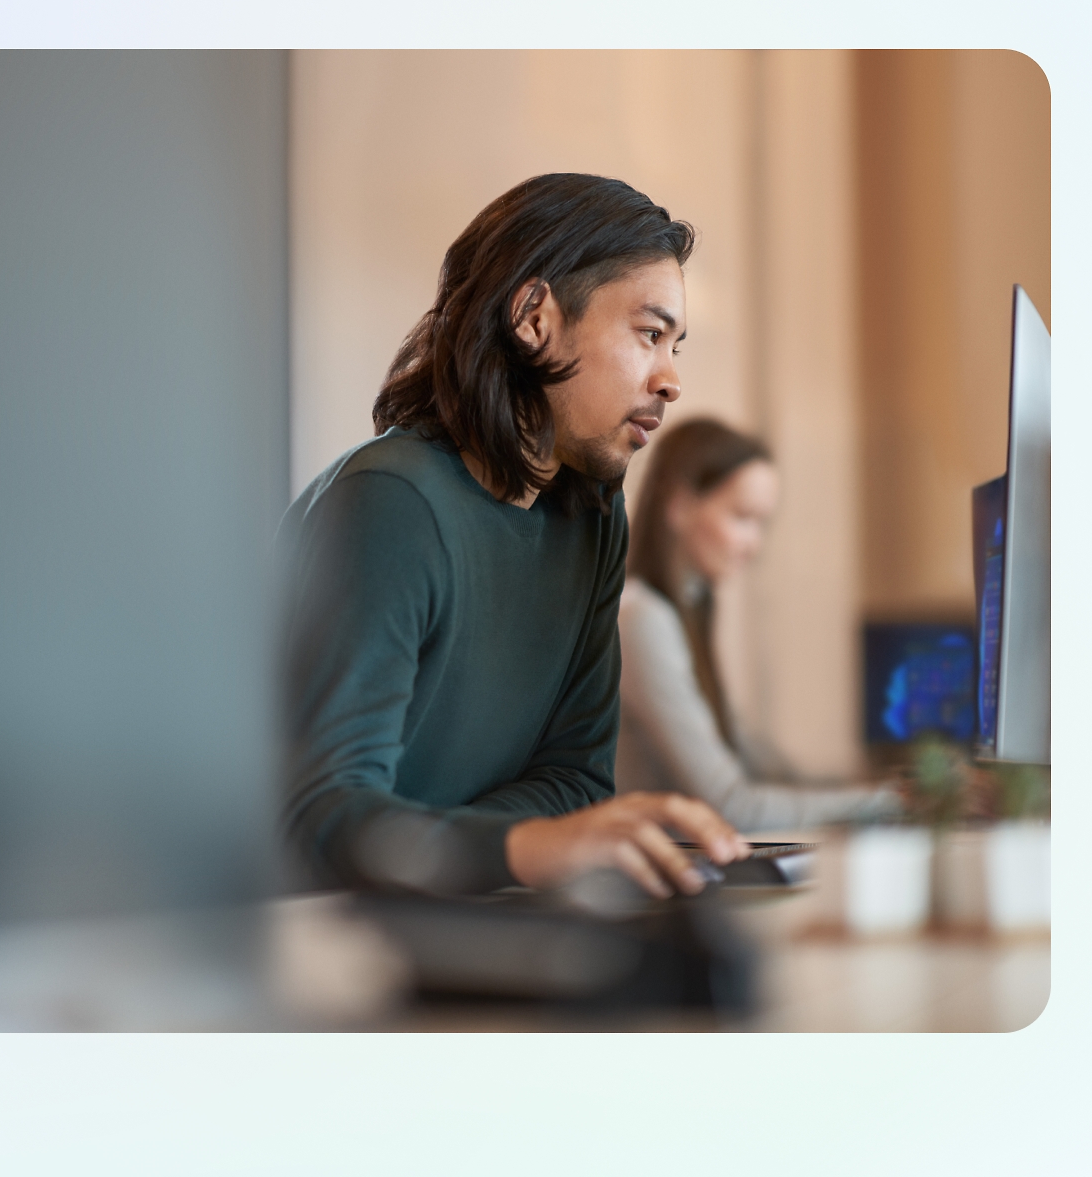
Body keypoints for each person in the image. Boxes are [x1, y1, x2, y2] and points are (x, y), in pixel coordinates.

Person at [279, 173, 751, 902]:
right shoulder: (390, 503)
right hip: (319, 941)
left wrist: (482, 850)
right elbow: (321, 817)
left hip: (459, 916)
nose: (670, 380)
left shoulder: (592, 520)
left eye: (676, 347)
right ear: (534, 317)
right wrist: (521, 847)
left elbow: (576, 781)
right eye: (650, 334)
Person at [617, 417, 901, 830]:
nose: (755, 545)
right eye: (743, 517)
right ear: (679, 506)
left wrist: (887, 791)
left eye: (762, 524)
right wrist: (887, 802)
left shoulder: (688, 612)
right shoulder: (642, 619)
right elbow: (732, 805)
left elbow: (771, 771)